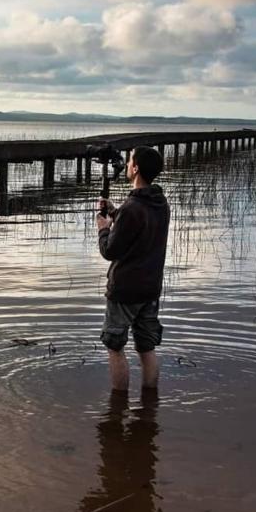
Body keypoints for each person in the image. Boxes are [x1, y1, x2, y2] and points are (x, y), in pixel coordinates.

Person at [96, 146, 170, 392]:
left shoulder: (132, 208)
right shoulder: (160, 204)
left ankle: (117, 408)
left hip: (125, 291)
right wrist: (115, 212)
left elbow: (110, 251)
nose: (126, 164)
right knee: (146, 347)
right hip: (150, 290)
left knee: (115, 347)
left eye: (130, 161)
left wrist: (103, 228)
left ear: (136, 168)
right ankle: (150, 406)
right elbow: (140, 227)